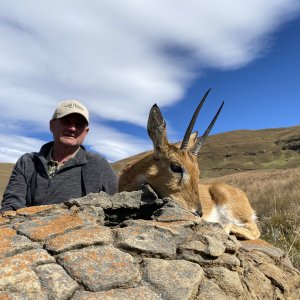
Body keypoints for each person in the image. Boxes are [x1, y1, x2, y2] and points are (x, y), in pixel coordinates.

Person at [0, 99, 118, 213]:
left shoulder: (98, 164)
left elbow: (117, 204)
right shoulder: (27, 162)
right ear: (52, 125)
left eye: (79, 124)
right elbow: (11, 206)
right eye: (66, 121)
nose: (72, 128)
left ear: (86, 132)